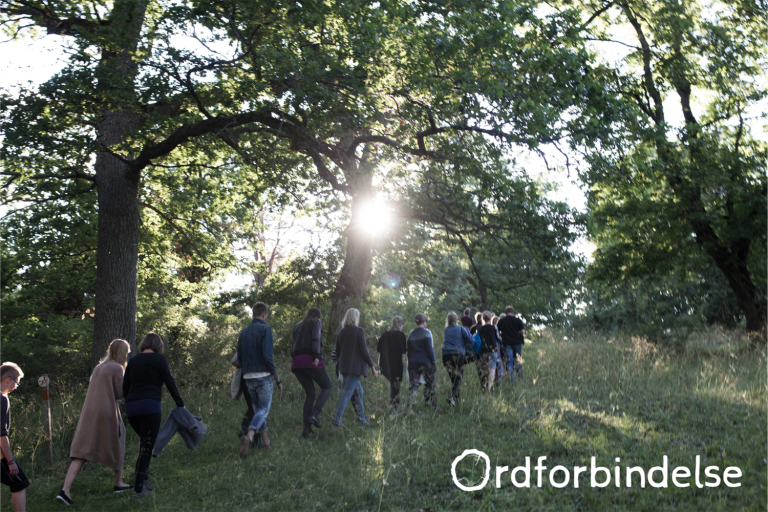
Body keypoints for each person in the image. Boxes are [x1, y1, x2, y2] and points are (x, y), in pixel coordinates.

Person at [56, 339, 132, 506]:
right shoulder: (117, 368)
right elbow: (120, 394)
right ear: (121, 353)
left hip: (89, 412)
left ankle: (65, 490)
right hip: (106, 411)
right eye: (126, 353)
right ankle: (118, 483)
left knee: (82, 451)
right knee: (118, 439)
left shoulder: (99, 367)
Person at [123, 332, 185, 498]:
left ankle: (143, 480)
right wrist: (180, 403)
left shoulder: (133, 361)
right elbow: (169, 381)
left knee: (145, 444)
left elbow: (125, 386)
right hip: (149, 407)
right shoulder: (159, 360)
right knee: (146, 447)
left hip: (132, 408)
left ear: (144, 344)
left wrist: (128, 403)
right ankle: (138, 490)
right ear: (158, 346)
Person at [238, 302, 282, 457]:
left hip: (247, 376)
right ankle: (249, 436)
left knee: (258, 411)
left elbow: (240, 358)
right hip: (263, 375)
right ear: (264, 314)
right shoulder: (265, 329)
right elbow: (268, 355)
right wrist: (276, 377)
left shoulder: (243, 333)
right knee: (263, 410)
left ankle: (266, 443)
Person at [291, 307, 332, 438]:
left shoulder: (298, 325)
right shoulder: (316, 321)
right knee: (327, 386)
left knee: (310, 393)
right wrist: (316, 356)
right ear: (318, 315)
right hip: (310, 358)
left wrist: (295, 359)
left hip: (296, 361)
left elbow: (293, 344)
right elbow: (316, 338)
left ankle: (306, 430)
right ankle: (314, 414)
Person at [333, 308, 377, 427]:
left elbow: (337, 353)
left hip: (344, 368)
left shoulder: (341, 332)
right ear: (355, 317)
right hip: (354, 367)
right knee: (347, 394)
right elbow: (364, 351)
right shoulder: (359, 331)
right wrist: (372, 366)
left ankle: (361, 417)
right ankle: (336, 421)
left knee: (358, 392)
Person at [1, 363, 28, 512]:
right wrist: (10, 461)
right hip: (0, 456)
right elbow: (1, 433)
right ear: (8, 379)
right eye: (16, 382)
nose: (16, 386)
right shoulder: (2, 399)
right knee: (19, 483)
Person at [406, 313, 442, 414]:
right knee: (431, 385)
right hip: (426, 363)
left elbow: (408, 349)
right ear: (424, 322)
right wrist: (434, 362)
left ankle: (409, 408)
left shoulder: (411, 333)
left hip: (413, 363)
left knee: (413, 386)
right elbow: (430, 350)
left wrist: (409, 362)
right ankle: (436, 407)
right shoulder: (427, 333)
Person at [376, 316, 407, 413]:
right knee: (396, 385)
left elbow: (378, 349)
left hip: (385, 364)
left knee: (393, 385)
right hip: (396, 364)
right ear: (401, 324)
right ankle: (394, 408)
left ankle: (395, 406)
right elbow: (403, 350)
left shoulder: (385, 334)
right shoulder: (400, 335)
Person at [442, 312, 473, 407]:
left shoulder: (446, 330)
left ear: (448, 320)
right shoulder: (461, 329)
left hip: (446, 355)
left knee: (453, 379)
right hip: (457, 355)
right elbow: (472, 340)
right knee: (459, 378)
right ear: (456, 320)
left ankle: (458, 401)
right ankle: (451, 396)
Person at [497, 306, 526, 382]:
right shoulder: (518, 320)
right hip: (517, 343)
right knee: (518, 360)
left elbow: (498, 332)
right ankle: (520, 378)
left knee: (509, 361)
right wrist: (520, 334)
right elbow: (523, 331)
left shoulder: (501, 321)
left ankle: (511, 380)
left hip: (506, 344)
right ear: (513, 312)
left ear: (506, 312)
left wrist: (501, 335)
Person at [477, 311, 499, 392]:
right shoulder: (493, 328)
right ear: (490, 318)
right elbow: (497, 339)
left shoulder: (480, 329)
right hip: (493, 350)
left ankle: (485, 386)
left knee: (484, 369)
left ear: (482, 318)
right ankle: (490, 387)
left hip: (484, 351)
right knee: (492, 369)